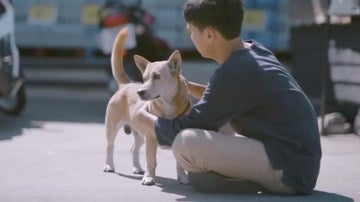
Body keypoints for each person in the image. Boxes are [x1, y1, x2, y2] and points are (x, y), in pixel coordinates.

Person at [135, 0, 322, 195]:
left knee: (186, 141)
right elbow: (220, 98)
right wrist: (187, 87)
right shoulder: (253, 51)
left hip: (289, 170)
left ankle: (251, 182)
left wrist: (145, 119)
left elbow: (189, 125)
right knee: (220, 126)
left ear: (209, 34)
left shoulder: (234, 72)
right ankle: (239, 176)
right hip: (299, 161)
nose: (191, 37)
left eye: (192, 31)